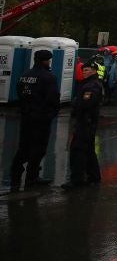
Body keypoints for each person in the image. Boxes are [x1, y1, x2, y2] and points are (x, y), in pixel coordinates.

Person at [9, 49, 60, 191]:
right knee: (37, 150)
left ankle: (15, 179)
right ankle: (31, 180)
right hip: (41, 119)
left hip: (26, 117)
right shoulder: (48, 77)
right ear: (45, 61)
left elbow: (20, 94)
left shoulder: (25, 75)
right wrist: (51, 114)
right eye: (48, 60)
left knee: (23, 149)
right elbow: (53, 98)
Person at [62, 56, 103, 190]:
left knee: (78, 151)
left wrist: (75, 103)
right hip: (87, 122)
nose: (84, 72)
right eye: (83, 70)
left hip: (85, 122)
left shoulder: (91, 86)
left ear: (94, 71)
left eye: (87, 70)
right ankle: (94, 176)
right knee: (88, 150)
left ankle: (77, 179)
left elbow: (85, 104)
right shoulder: (89, 84)